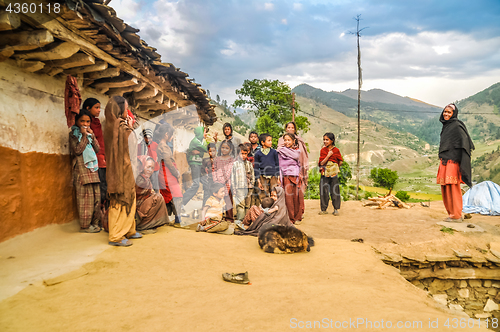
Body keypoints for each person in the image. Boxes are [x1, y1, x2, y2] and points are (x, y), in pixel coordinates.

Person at [104, 96, 142, 246]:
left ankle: (129, 230)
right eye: (126, 109)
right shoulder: (119, 125)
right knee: (120, 199)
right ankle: (116, 236)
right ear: (119, 110)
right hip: (120, 169)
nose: (128, 111)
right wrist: (131, 127)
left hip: (124, 168)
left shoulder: (110, 124)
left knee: (129, 197)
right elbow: (131, 142)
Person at [437, 103, 474, 222]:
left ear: (454, 114)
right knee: (445, 187)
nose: (446, 114)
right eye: (445, 112)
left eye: (449, 112)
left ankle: (456, 215)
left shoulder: (457, 126)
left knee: (453, 187)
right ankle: (451, 214)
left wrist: (460, 160)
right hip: (444, 160)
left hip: (453, 162)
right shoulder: (447, 126)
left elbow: (464, 143)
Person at [69, 109, 101, 233]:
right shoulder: (73, 134)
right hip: (81, 171)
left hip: (93, 170)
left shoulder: (89, 134)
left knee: (96, 197)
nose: (85, 124)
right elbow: (77, 150)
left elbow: (97, 149)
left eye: (88, 121)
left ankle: (94, 223)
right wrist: (83, 135)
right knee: (85, 199)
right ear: (77, 122)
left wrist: (91, 135)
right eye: (82, 121)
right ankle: (85, 226)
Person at [278, 121, 309, 213]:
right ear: (285, 129)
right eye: (288, 127)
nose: (290, 129)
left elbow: (302, 154)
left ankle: (299, 211)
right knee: (287, 193)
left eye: (292, 128)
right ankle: (288, 213)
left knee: (298, 192)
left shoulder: (299, 140)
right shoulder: (281, 140)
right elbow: (280, 151)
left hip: (299, 169)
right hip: (285, 172)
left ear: (295, 129)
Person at [135, 156, 171, 233]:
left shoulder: (145, 178)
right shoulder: (140, 179)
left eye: (152, 168)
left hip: (139, 209)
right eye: (148, 167)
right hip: (135, 212)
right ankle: (142, 226)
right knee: (157, 198)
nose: (150, 170)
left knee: (158, 197)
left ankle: (146, 224)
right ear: (142, 166)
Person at [157, 123, 183, 224]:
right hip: (167, 173)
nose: (172, 138)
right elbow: (168, 162)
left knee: (168, 196)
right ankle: (177, 220)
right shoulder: (163, 147)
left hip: (165, 173)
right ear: (166, 134)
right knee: (176, 195)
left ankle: (164, 219)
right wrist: (176, 173)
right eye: (171, 135)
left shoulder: (163, 145)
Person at [85, 98, 107, 205]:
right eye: (96, 107)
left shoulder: (97, 123)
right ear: (88, 108)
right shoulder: (87, 125)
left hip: (102, 159)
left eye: (99, 107)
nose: (99, 110)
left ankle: (102, 212)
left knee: (104, 186)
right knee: (99, 187)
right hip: (94, 160)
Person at [278, 133, 303, 224]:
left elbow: (298, 163)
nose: (286, 142)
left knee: (296, 197)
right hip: (286, 176)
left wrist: (299, 173)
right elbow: (280, 165)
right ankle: (290, 218)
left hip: (295, 176)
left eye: (289, 140)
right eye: (285, 140)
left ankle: (297, 217)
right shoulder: (281, 151)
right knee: (288, 198)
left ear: (293, 141)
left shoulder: (297, 151)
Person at [182, 126, 208, 210]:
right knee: (196, 184)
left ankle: (206, 205)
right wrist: (201, 151)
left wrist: (200, 152)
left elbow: (202, 151)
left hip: (198, 164)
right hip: (195, 164)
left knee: (207, 184)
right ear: (200, 133)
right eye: (204, 132)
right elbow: (205, 149)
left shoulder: (200, 141)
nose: (206, 134)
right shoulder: (195, 141)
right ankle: (181, 202)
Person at [318, 133, 343, 216]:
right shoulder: (323, 150)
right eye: (324, 139)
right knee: (323, 191)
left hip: (333, 174)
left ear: (332, 141)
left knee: (335, 190)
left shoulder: (336, 150)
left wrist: (335, 168)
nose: (325, 141)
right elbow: (321, 162)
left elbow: (340, 161)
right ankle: (323, 209)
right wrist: (328, 156)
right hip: (324, 173)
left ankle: (336, 209)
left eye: (327, 140)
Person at [213, 139, 235, 222]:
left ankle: (229, 218)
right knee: (218, 200)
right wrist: (216, 181)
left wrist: (221, 182)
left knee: (227, 201)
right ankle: (218, 217)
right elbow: (214, 170)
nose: (224, 149)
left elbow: (229, 172)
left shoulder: (231, 160)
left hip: (227, 183)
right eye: (222, 147)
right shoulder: (217, 159)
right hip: (217, 183)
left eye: (227, 148)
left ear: (231, 150)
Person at [231, 143, 255, 221]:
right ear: (238, 154)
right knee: (241, 204)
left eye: (245, 154)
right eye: (242, 154)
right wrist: (234, 188)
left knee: (247, 205)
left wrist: (252, 184)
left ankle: (246, 221)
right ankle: (240, 220)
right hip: (239, 187)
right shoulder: (235, 164)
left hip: (249, 187)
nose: (244, 155)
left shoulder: (249, 164)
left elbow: (252, 175)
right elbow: (232, 177)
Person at [254, 133, 280, 200]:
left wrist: (278, 178)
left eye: (271, 140)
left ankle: (274, 209)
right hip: (263, 176)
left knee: (274, 193)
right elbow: (256, 168)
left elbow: (277, 165)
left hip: (273, 176)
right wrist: (258, 181)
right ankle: (265, 209)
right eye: (269, 140)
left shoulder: (274, 152)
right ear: (262, 142)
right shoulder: (258, 154)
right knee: (263, 193)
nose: (271, 142)